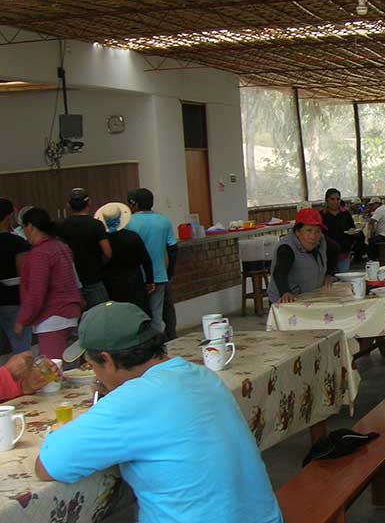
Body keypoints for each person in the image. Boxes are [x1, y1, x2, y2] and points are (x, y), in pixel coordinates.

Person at [36, 301, 283, 523]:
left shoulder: (131, 401)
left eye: (91, 366)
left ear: (107, 360)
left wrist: (113, 402)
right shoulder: (202, 375)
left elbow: (49, 465)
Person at [15, 207, 81, 359]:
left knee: (53, 369)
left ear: (30, 227)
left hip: (52, 316)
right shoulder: (61, 246)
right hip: (70, 312)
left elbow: (36, 292)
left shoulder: (40, 253)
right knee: (68, 365)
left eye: (24, 228)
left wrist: (23, 319)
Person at [127, 188, 178, 338]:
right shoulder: (163, 221)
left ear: (134, 204)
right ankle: (160, 343)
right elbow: (173, 248)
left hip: (136, 275)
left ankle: (144, 344)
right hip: (159, 274)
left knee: (139, 313)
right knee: (157, 312)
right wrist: (169, 272)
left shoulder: (129, 222)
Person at [56, 188, 111, 309]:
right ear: (89, 203)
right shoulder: (96, 224)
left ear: (68, 205)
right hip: (94, 277)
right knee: (101, 314)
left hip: (70, 280)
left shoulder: (61, 225)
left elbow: (58, 252)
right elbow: (108, 253)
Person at [95, 202, 154, 316]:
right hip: (133, 280)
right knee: (137, 314)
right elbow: (146, 260)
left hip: (110, 282)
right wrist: (150, 280)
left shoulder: (102, 241)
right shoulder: (132, 237)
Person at [268, 209, 330, 304]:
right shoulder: (287, 248)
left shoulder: (321, 239)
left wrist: (328, 274)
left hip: (308, 296)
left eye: (317, 231)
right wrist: (285, 292)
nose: (313, 236)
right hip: (286, 300)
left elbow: (335, 249)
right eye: (308, 230)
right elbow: (280, 272)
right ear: (297, 231)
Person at [0, 199, 31, 353]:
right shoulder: (17, 243)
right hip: (14, 301)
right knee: (21, 350)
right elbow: (25, 275)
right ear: (9, 217)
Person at [320, 188, 356, 273]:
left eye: (338, 199)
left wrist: (351, 239)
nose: (335, 202)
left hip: (344, 252)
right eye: (332, 199)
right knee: (330, 280)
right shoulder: (321, 215)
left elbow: (352, 228)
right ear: (326, 200)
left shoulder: (346, 214)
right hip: (327, 254)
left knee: (344, 279)